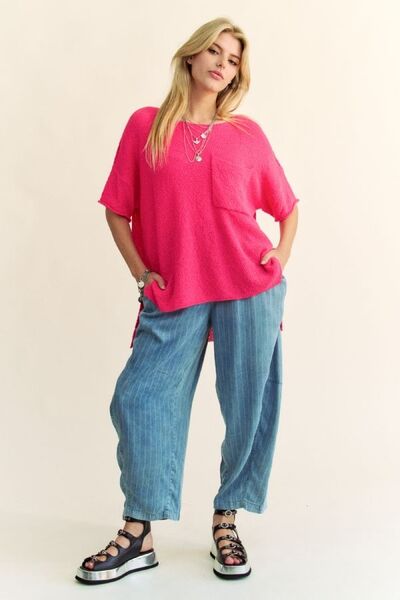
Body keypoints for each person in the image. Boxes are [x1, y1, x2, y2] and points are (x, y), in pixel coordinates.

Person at [75, 16, 299, 584]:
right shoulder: (146, 126)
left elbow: (287, 206)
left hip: (249, 285)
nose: (223, 64)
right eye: (216, 52)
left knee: (249, 405)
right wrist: (141, 274)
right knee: (139, 398)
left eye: (234, 60)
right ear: (192, 56)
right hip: (175, 288)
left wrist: (280, 254)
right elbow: (116, 210)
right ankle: (139, 532)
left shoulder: (246, 134)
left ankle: (226, 518)